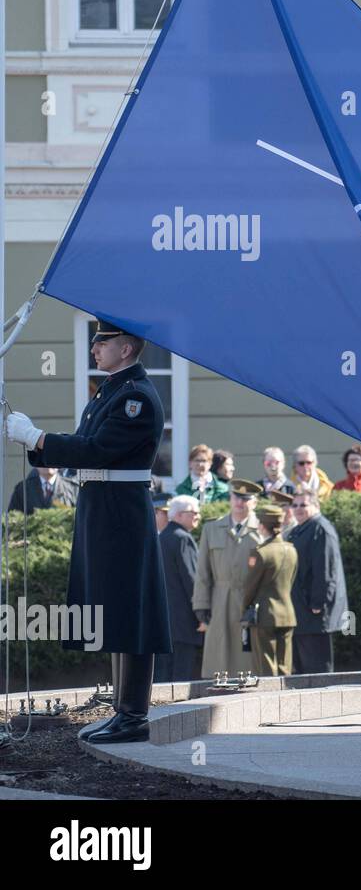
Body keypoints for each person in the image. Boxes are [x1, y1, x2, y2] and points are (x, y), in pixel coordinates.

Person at [5, 318, 170, 744]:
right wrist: (37, 440)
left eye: (103, 342)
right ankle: (122, 710)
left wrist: (36, 437)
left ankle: (134, 716)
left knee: (131, 612)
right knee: (115, 610)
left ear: (127, 348)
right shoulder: (113, 391)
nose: (94, 349)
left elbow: (96, 449)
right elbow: (85, 447)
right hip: (104, 509)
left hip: (121, 513)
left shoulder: (135, 398)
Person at [191, 478, 263, 677]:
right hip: (220, 599)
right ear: (230, 499)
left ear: (254, 502)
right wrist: (201, 604)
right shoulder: (212, 528)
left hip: (251, 600)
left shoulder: (262, 530)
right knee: (219, 655)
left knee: (248, 655)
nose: (240, 503)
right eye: (236, 497)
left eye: (246, 499)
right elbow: (203, 571)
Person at [284, 487, 348, 673]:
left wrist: (318, 602)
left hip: (314, 611)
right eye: (294, 505)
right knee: (302, 669)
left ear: (315, 505)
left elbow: (326, 570)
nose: (298, 509)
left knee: (318, 669)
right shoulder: (300, 529)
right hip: (301, 609)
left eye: (303, 504)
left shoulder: (320, 528)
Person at [241, 502, 297, 677]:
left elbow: (250, 587)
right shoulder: (292, 550)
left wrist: (244, 608)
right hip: (287, 614)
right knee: (284, 665)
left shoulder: (260, 553)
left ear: (263, 526)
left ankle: (270, 701)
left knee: (266, 665)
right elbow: (291, 581)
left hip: (265, 614)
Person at [156, 495, 204, 683]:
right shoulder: (183, 539)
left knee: (163, 675)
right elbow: (192, 580)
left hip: (164, 620)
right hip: (184, 620)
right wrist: (202, 615)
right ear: (178, 515)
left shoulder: (162, 538)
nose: (198, 516)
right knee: (180, 675)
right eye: (194, 512)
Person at [7, 465, 78, 514]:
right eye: (43, 458)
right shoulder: (23, 490)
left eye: (52, 458)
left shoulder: (72, 489)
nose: (48, 463)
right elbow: (12, 519)